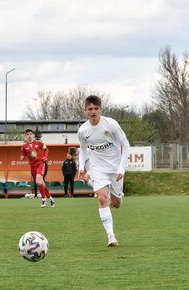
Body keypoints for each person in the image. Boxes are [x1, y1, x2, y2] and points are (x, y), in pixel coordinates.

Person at [77, 95, 130, 247]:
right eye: (90, 109)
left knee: (117, 203)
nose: (93, 111)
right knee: (102, 199)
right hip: (97, 168)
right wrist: (81, 166)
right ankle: (111, 237)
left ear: (101, 109)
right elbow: (83, 149)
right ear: (85, 110)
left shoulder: (111, 124)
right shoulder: (83, 130)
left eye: (96, 108)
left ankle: (117, 196)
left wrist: (121, 168)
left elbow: (125, 145)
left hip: (115, 168)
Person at [20, 129, 55, 208]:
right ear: (25, 136)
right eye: (27, 134)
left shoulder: (39, 143)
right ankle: (51, 199)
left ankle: (43, 200)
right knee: (41, 183)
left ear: (33, 135)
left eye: (30, 134)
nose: (29, 136)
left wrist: (45, 157)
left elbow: (46, 149)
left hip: (41, 164)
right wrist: (22, 157)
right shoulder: (23, 146)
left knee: (38, 182)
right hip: (33, 167)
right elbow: (22, 155)